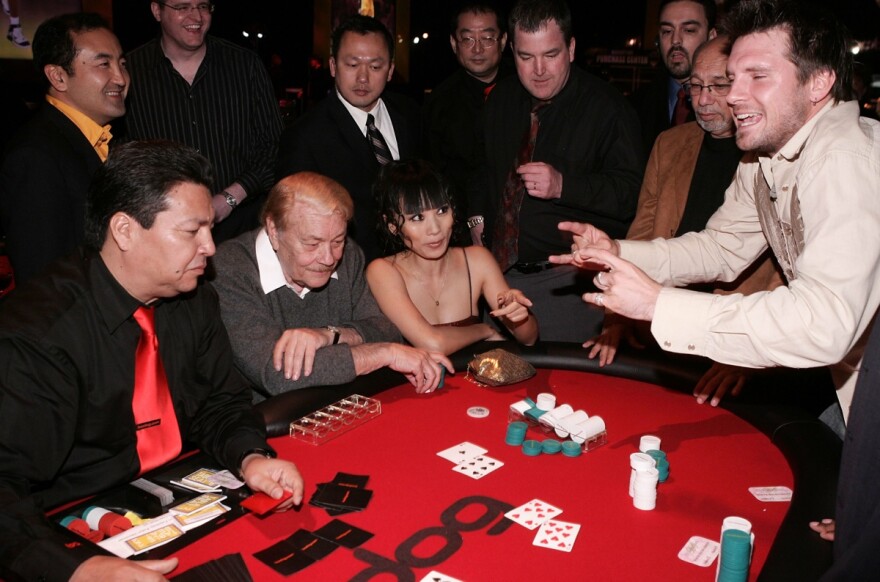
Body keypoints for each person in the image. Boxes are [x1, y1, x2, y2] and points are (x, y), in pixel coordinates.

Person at [550, 0, 880, 574]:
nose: (732, 96)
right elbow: (720, 249)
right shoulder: (768, 156)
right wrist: (619, 251)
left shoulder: (845, 159)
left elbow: (825, 322)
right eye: (734, 78)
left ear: (819, 82)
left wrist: (657, 305)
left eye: (758, 76)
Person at [0, 140, 304, 581]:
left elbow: (221, 403)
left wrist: (250, 458)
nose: (210, 247)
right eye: (191, 231)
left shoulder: (193, 298)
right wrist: (79, 570)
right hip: (66, 525)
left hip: (178, 494)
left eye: (210, 228)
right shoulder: (40, 335)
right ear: (124, 230)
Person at [588, 35, 787, 406]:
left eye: (718, 86)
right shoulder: (669, 143)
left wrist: (749, 355)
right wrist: (617, 315)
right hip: (660, 332)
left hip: (734, 351)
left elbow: (790, 279)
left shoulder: (776, 155)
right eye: (695, 86)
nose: (704, 99)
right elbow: (646, 235)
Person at [469, 0, 643, 343]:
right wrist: (475, 218)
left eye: (550, 54)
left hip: (569, 285)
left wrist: (565, 185)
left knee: (567, 394)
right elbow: (480, 167)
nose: (539, 70)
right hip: (498, 282)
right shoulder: (501, 97)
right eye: (525, 57)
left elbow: (631, 195)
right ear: (511, 51)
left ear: (572, 48)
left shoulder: (609, 108)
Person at [212, 171, 453, 401]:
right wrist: (383, 353)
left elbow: (384, 329)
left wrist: (328, 335)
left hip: (346, 406)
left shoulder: (348, 255)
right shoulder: (231, 269)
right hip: (266, 425)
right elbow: (278, 374)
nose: (329, 258)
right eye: (312, 243)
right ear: (274, 231)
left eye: (337, 241)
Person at [124, 0, 282, 244]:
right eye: (182, 7)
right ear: (157, 11)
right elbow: (123, 157)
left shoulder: (245, 65)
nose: (195, 16)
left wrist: (230, 197)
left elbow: (274, 147)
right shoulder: (130, 73)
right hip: (163, 233)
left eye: (203, 6)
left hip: (243, 227)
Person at [275, 14, 421, 261]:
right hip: (350, 273)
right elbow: (295, 221)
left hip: (419, 264)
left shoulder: (411, 115)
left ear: (390, 70)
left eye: (375, 67)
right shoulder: (304, 136)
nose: (363, 78)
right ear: (333, 66)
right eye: (352, 65)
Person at [0, 13, 127, 284]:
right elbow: (44, 281)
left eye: (122, 63)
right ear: (58, 76)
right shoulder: (35, 156)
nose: (121, 78)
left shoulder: (105, 141)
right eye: (104, 64)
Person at [367, 159, 537, 354]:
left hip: (475, 380)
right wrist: (484, 329)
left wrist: (519, 316)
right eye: (417, 218)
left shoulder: (477, 260)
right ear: (392, 225)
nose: (435, 229)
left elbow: (530, 339)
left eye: (442, 211)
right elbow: (432, 345)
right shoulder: (383, 271)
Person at [423, 2, 513, 223]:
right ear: (454, 43)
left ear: (503, 40)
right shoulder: (438, 105)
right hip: (462, 225)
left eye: (487, 38)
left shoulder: (527, 87)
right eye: (468, 39)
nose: (477, 49)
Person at [631, 0, 717, 157]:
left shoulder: (733, 106)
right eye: (667, 31)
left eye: (689, 30)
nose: (675, 40)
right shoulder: (634, 108)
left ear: (711, 37)